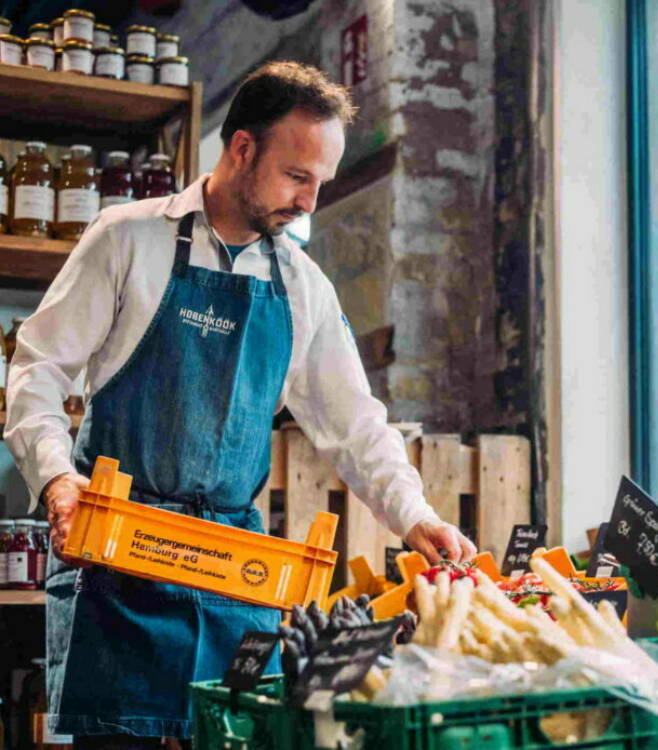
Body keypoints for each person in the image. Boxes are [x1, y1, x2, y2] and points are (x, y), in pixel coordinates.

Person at [4, 61, 476, 748]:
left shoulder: (304, 288)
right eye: (297, 176)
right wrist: (54, 478)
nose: (310, 202)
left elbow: (356, 425)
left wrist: (416, 516)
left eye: (322, 182)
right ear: (243, 149)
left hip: (231, 572)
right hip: (118, 562)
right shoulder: (126, 238)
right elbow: (36, 371)